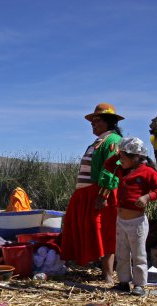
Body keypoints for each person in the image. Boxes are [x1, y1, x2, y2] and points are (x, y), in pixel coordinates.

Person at [60, 103, 124, 283]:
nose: (92, 124)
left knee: (103, 230)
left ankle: (108, 274)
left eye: (97, 120)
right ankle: (98, 269)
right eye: (92, 121)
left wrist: (103, 194)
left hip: (99, 193)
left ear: (108, 122)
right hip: (86, 192)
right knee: (89, 229)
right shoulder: (97, 142)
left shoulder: (113, 141)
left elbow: (112, 169)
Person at [103, 137, 157, 296]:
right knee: (122, 253)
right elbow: (108, 165)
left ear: (135, 157)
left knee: (138, 254)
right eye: (121, 157)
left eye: (124, 157)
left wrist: (146, 197)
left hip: (137, 222)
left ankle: (139, 285)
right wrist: (118, 155)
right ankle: (124, 282)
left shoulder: (148, 172)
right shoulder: (123, 170)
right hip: (121, 221)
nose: (121, 161)